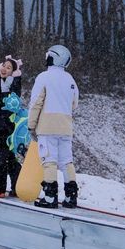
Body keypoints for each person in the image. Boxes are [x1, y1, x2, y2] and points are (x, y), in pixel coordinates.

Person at [28, 44, 79, 209]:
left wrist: (31, 125)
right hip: (66, 127)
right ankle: (71, 197)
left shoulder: (43, 77)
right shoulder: (70, 79)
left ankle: (50, 198)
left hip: (47, 127)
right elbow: (74, 103)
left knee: (49, 161)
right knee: (66, 162)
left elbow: (36, 103)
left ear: (52, 57)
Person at [0, 55, 23, 197]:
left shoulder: (10, 85)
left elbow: (4, 108)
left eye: (9, 67)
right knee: (9, 157)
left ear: (13, 72)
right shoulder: (3, 84)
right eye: (4, 66)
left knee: (0, 156)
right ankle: (18, 186)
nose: (5, 69)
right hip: (2, 125)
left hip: (4, 126)